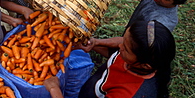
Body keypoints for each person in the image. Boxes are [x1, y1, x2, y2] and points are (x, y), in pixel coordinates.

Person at [44, 20, 176, 98]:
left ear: (145, 66)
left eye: (125, 47)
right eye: (124, 40)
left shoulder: (128, 94)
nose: (120, 46)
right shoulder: (136, 57)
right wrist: (95, 44)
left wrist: (55, 89)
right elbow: (119, 48)